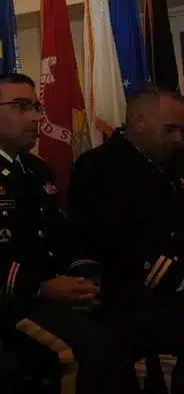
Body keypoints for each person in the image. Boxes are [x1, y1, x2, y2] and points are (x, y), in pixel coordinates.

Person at [0, 73, 140, 394]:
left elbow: (63, 236)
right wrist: (39, 288)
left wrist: (84, 279)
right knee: (93, 348)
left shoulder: (37, 170)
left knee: (126, 325)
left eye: (37, 107)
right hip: (1, 305)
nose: (38, 117)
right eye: (22, 106)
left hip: (51, 295)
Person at [69, 86, 184, 392]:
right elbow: (112, 243)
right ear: (138, 122)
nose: (178, 138)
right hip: (127, 291)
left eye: (181, 130)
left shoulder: (170, 163)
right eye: (170, 129)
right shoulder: (100, 167)